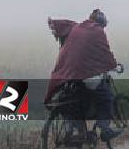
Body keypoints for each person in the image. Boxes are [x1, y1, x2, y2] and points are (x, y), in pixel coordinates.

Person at [45, 9, 121, 141]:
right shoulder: (97, 31)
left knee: (74, 101)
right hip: (86, 74)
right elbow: (105, 52)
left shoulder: (76, 28)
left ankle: (77, 132)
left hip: (68, 74)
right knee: (107, 98)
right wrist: (113, 65)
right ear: (101, 23)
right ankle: (105, 130)